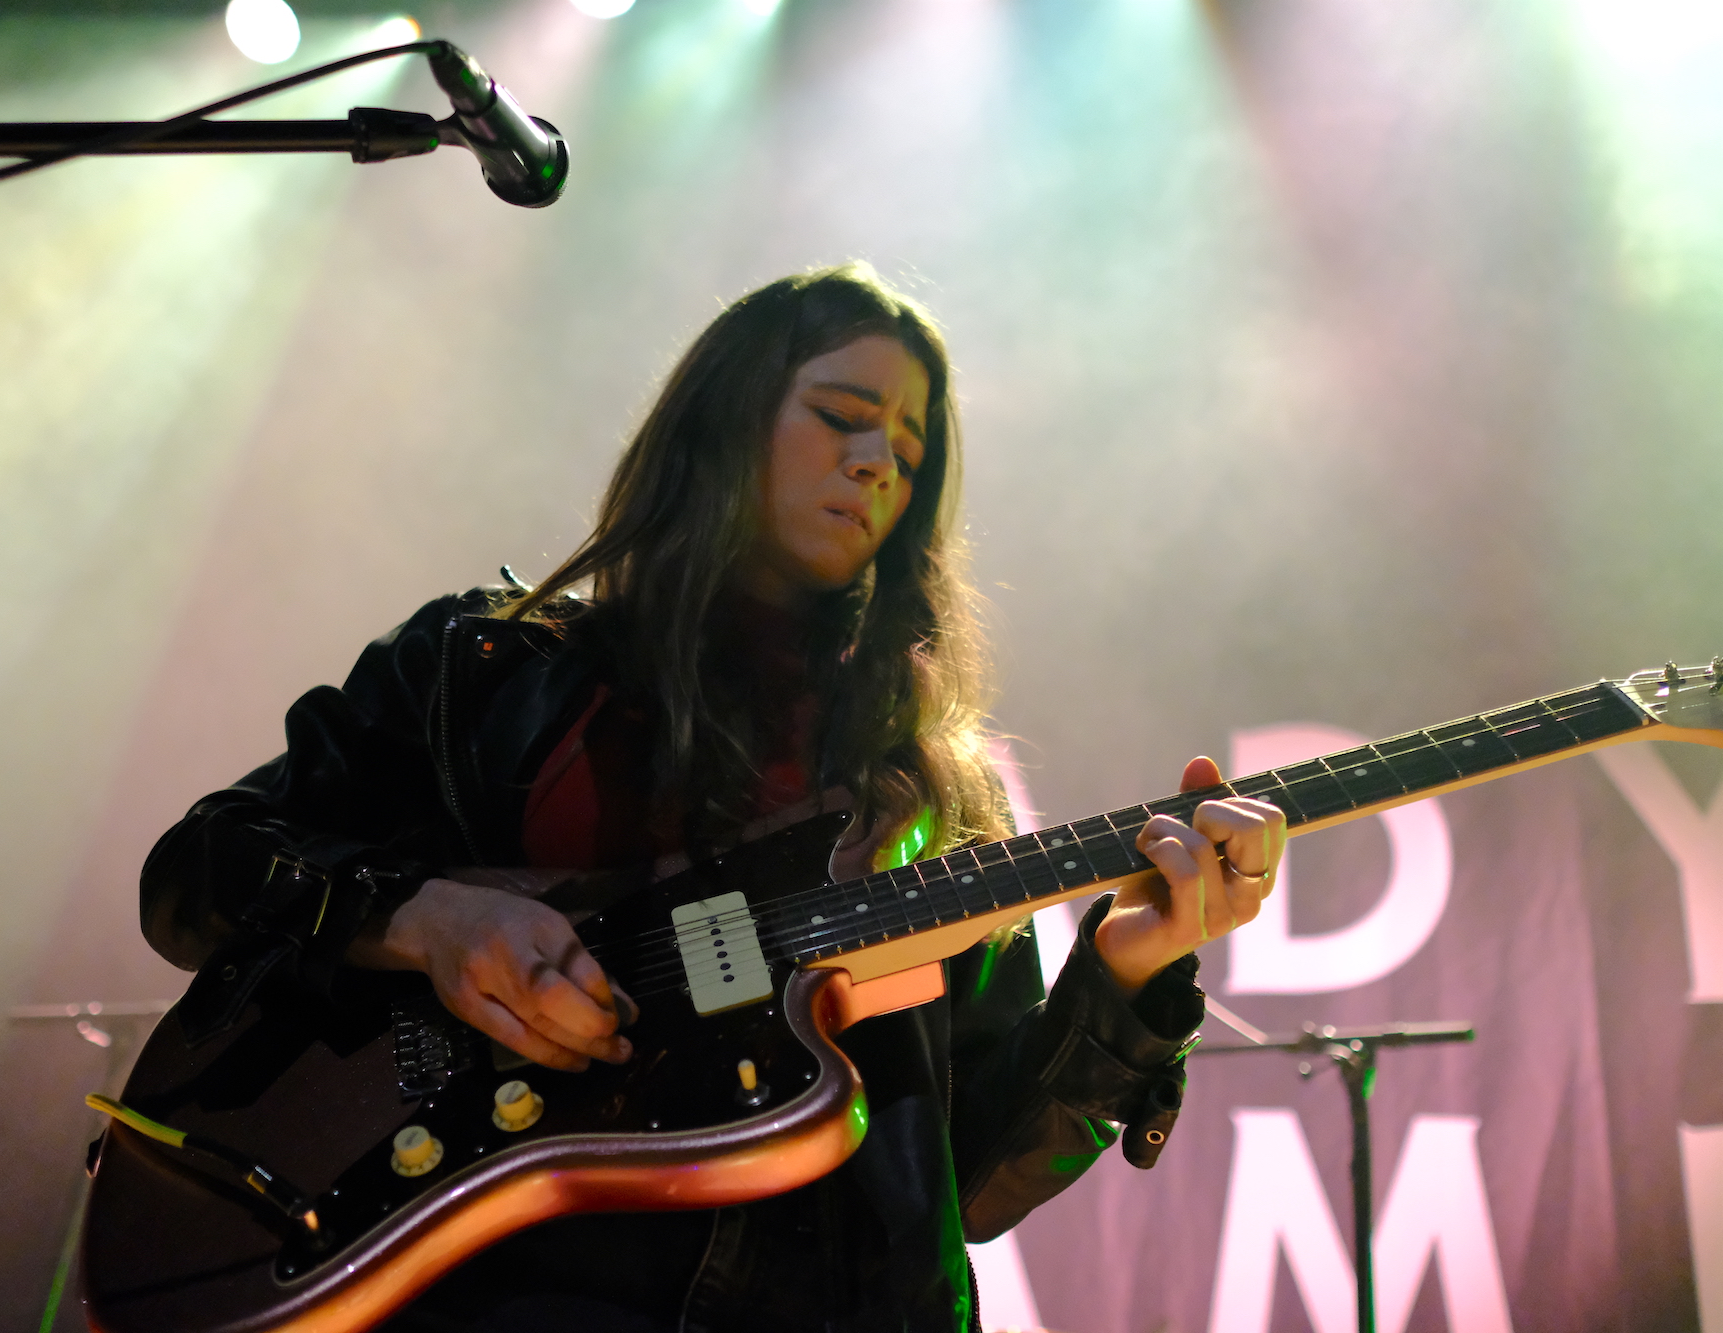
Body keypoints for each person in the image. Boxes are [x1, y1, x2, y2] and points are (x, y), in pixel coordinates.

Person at [139, 264, 1286, 1333]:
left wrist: (1124, 977)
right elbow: (199, 869)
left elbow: (971, 1184)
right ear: (725, 417)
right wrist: (424, 918)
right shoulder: (480, 670)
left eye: (907, 451)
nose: (877, 464)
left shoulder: (931, 789)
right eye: (841, 416)